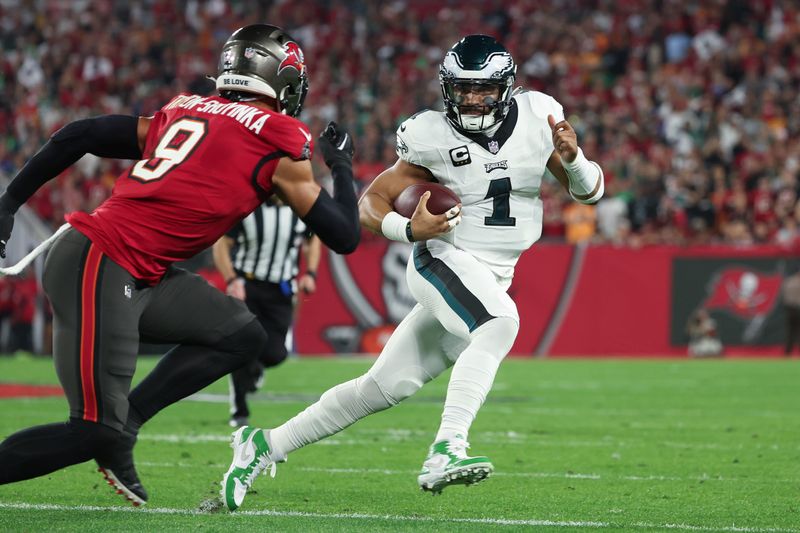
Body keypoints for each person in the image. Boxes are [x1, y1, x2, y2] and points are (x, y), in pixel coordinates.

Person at [221, 34, 604, 511]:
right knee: (499, 324)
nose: (470, 99)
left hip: (493, 273)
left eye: (481, 89)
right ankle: (447, 448)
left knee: (383, 388)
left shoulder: (538, 116)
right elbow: (370, 204)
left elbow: (588, 195)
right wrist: (409, 227)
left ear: (506, 88)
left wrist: (574, 160)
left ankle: (263, 444)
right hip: (442, 257)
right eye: (461, 89)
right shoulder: (430, 134)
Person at [0, 24, 360, 506]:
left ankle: (125, 425)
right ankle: (114, 432)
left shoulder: (184, 108)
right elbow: (344, 235)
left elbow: (79, 134)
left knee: (242, 336)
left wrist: (8, 204)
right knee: (91, 433)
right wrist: (341, 166)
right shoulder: (279, 136)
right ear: (284, 83)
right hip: (102, 259)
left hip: (135, 269)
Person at [212, 198, 321, 427]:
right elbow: (222, 243)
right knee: (243, 344)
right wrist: (231, 279)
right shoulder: (248, 205)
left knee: (277, 353)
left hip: (280, 289)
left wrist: (310, 273)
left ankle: (255, 368)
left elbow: (312, 240)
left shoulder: (300, 207)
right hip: (247, 285)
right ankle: (239, 409)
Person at [780, 269, 800, 356]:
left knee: (790, 331)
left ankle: (788, 352)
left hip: (789, 308)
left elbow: (784, 294)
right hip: (797, 308)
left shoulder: (789, 281)